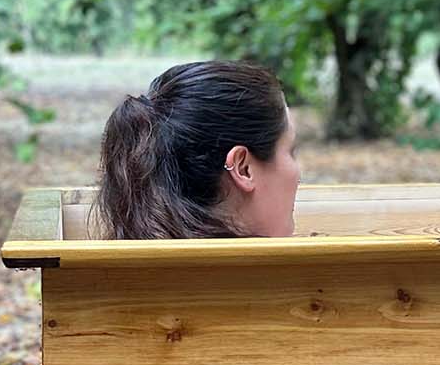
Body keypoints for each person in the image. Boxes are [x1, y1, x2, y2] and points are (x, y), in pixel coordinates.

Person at [91, 60, 300, 239]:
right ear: (243, 168)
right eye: (290, 151)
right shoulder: (306, 283)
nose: (298, 175)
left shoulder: (117, 274)